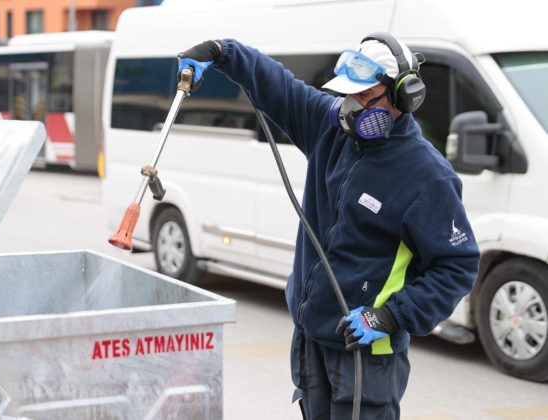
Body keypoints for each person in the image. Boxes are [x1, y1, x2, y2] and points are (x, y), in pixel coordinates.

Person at [177, 34, 480, 419]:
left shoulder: (426, 176)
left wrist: (391, 316)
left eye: (366, 99)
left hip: (367, 354)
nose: (352, 109)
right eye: (348, 97)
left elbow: (457, 266)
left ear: (404, 97)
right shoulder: (331, 127)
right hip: (311, 337)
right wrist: (223, 53)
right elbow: (280, 88)